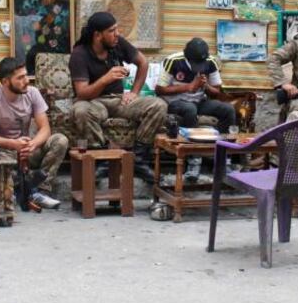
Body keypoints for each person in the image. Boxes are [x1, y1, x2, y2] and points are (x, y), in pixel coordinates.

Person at [69, 11, 167, 182]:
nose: (117, 34)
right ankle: (102, 160)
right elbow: (82, 93)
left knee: (159, 105)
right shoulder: (79, 54)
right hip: (94, 102)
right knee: (80, 110)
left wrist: (134, 92)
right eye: (112, 30)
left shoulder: (117, 44)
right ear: (98, 35)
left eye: (116, 29)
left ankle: (139, 160)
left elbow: (143, 62)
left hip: (120, 100)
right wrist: (105, 79)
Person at [0, 57, 69, 210]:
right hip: (3, 153)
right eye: (20, 78)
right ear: (5, 82)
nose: (26, 81)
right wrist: (11, 143)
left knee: (60, 140)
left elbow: (45, 129)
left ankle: (39, 191)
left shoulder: (32, 93)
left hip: (26, 152)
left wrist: (33, 144)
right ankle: (10, 190)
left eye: (26, 75)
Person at [155, 37, 236, 181]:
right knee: (190, 109)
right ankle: (193, 161)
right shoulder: (173, 61)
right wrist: (188, 87)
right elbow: (160, 89)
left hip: (200, 101)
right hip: (176, 102)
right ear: (187, 57)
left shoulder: (210, 62)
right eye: (195, 64)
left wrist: (205, 86)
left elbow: (216, 92)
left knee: (228, 110)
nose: (198, 67)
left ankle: (223, 158)